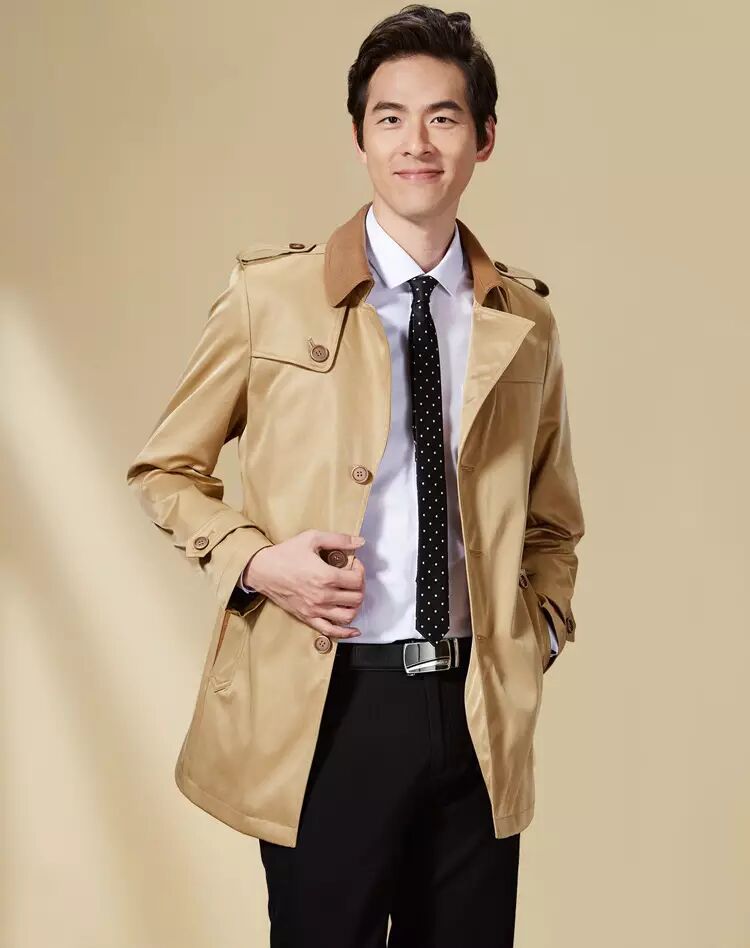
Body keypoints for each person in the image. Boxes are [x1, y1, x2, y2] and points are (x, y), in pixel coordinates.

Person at [126, 5, 585, 946]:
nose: (416, 142)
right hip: (329, 706)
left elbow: (552, 520)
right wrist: (258, 562)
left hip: (476, 710)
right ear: (360, 138)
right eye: (390, 118)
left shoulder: (524, 321)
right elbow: (166, 470)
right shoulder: (270, 296)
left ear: (484, 138)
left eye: (443, 117)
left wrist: (534, 631)